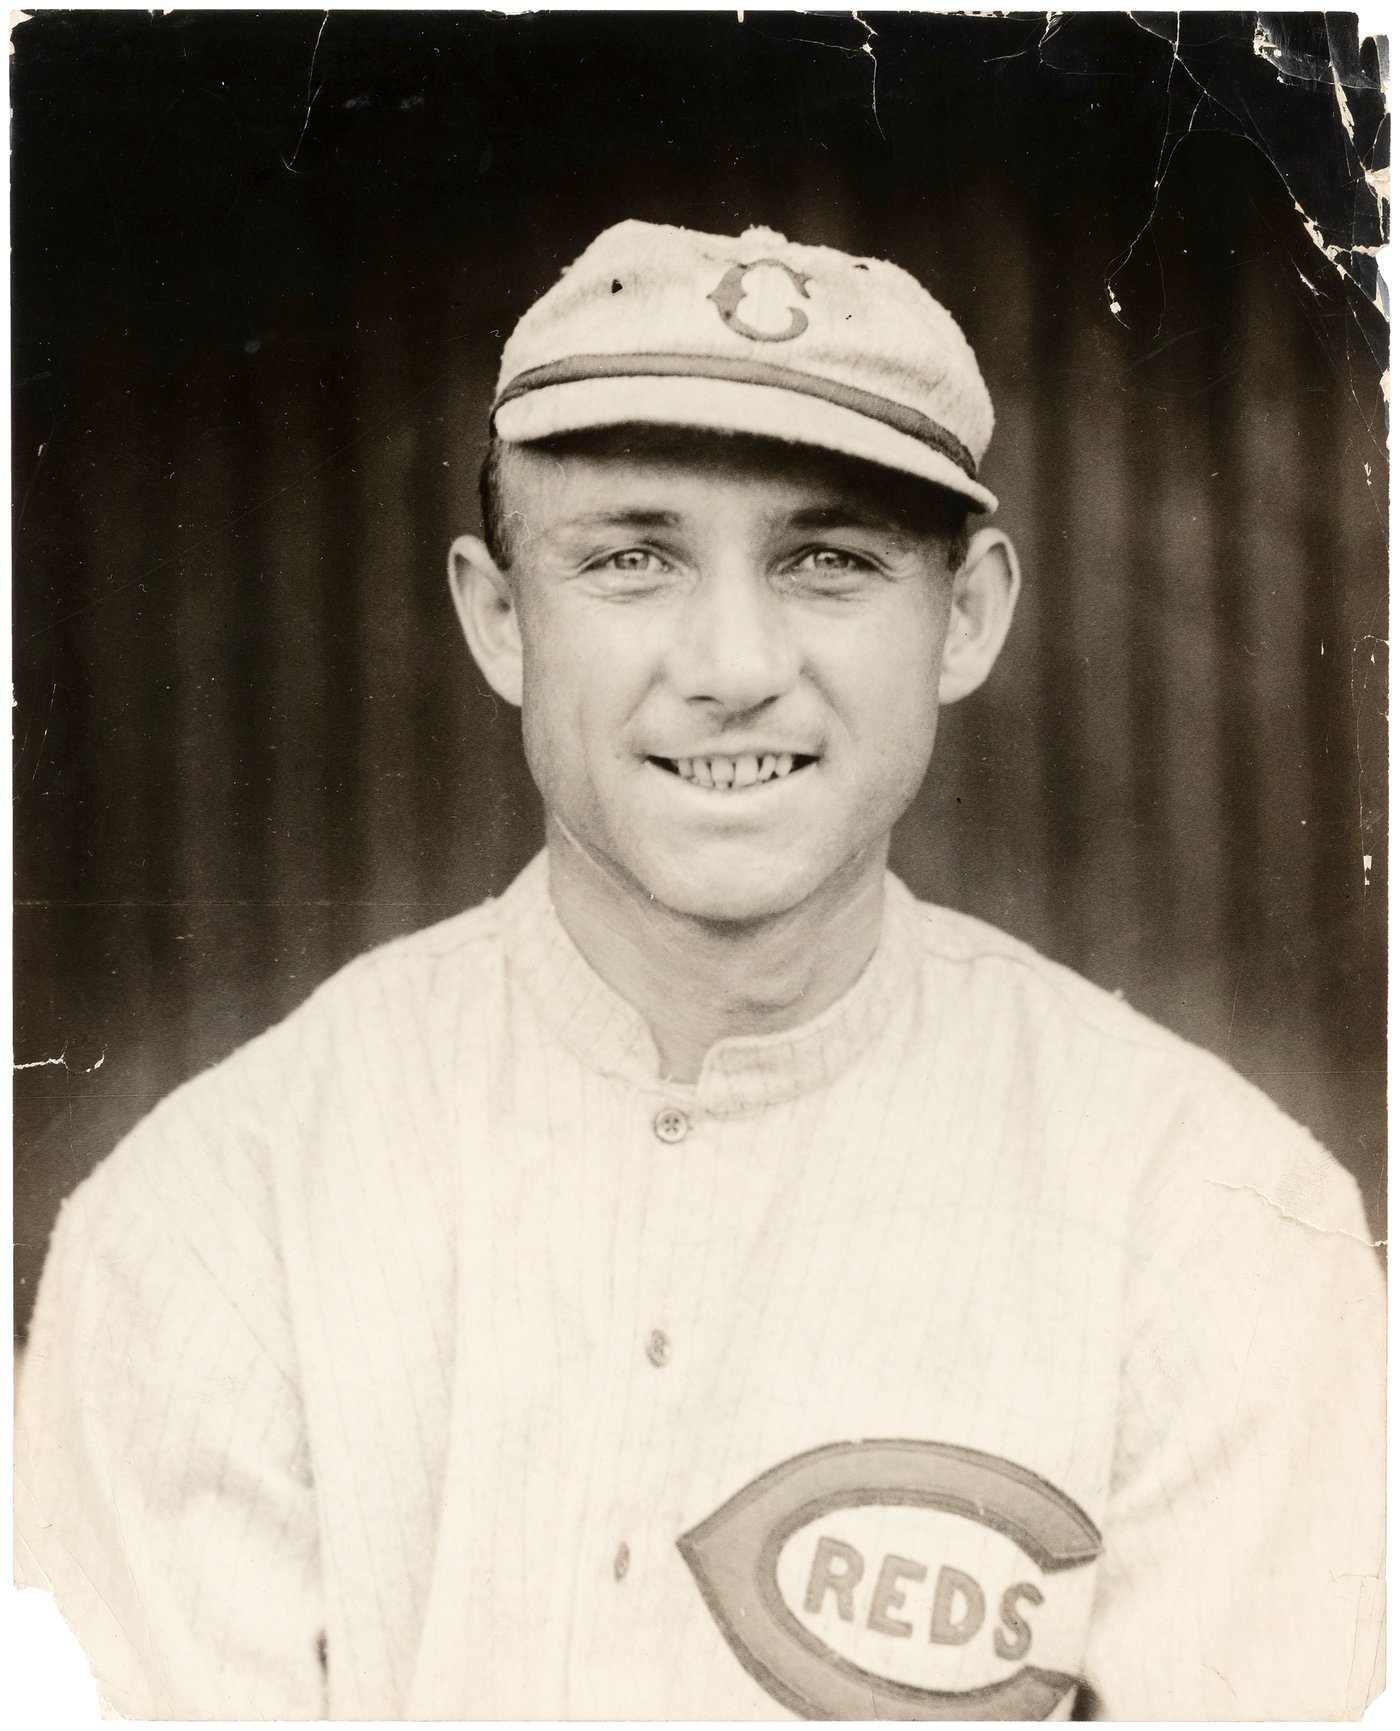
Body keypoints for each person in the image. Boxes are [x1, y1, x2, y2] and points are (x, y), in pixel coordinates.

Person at [14, 219, 1384, 1722]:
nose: (733, 660)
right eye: (631, 557)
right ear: (498, 616)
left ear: (970, 613)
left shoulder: (1220, 1225)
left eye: (830, 559)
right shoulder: (216, 1221)